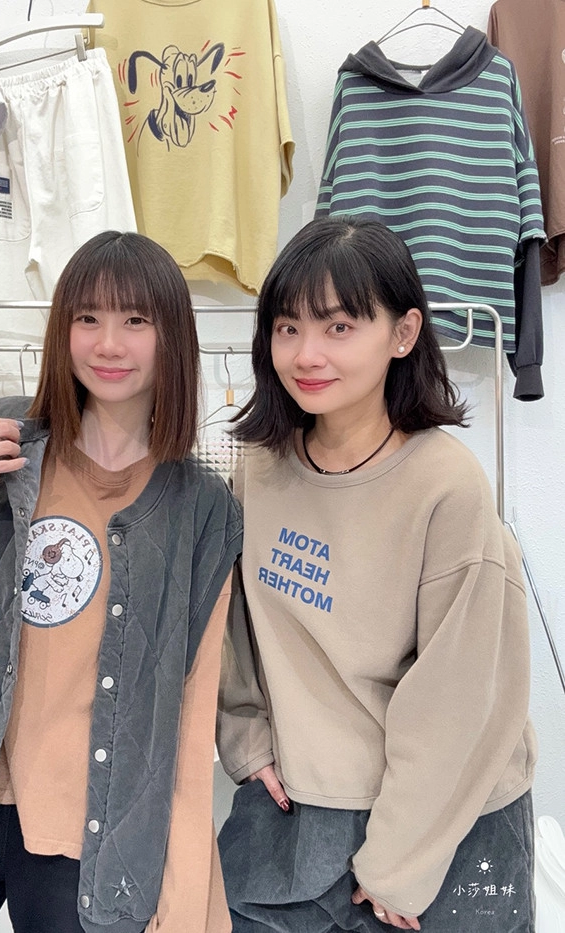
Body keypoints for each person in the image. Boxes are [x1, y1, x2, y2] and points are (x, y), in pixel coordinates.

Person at [0, 231, 242, 933]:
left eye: (136, 319)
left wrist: (186, 892)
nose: (109, 343)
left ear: (172, 336)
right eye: (87, 317)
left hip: (88, 830)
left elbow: (187, 713)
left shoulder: (201, 508)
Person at [216, 216, 536, 932]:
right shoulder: (260, 469)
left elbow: (462, 698)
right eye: (288, 327)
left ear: (403, 333)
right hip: (298, 804)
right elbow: (233, 630)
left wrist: (400, 861)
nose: (307, 354)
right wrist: (246, 737)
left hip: (441, 822)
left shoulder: (446, 485)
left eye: (339, 327)